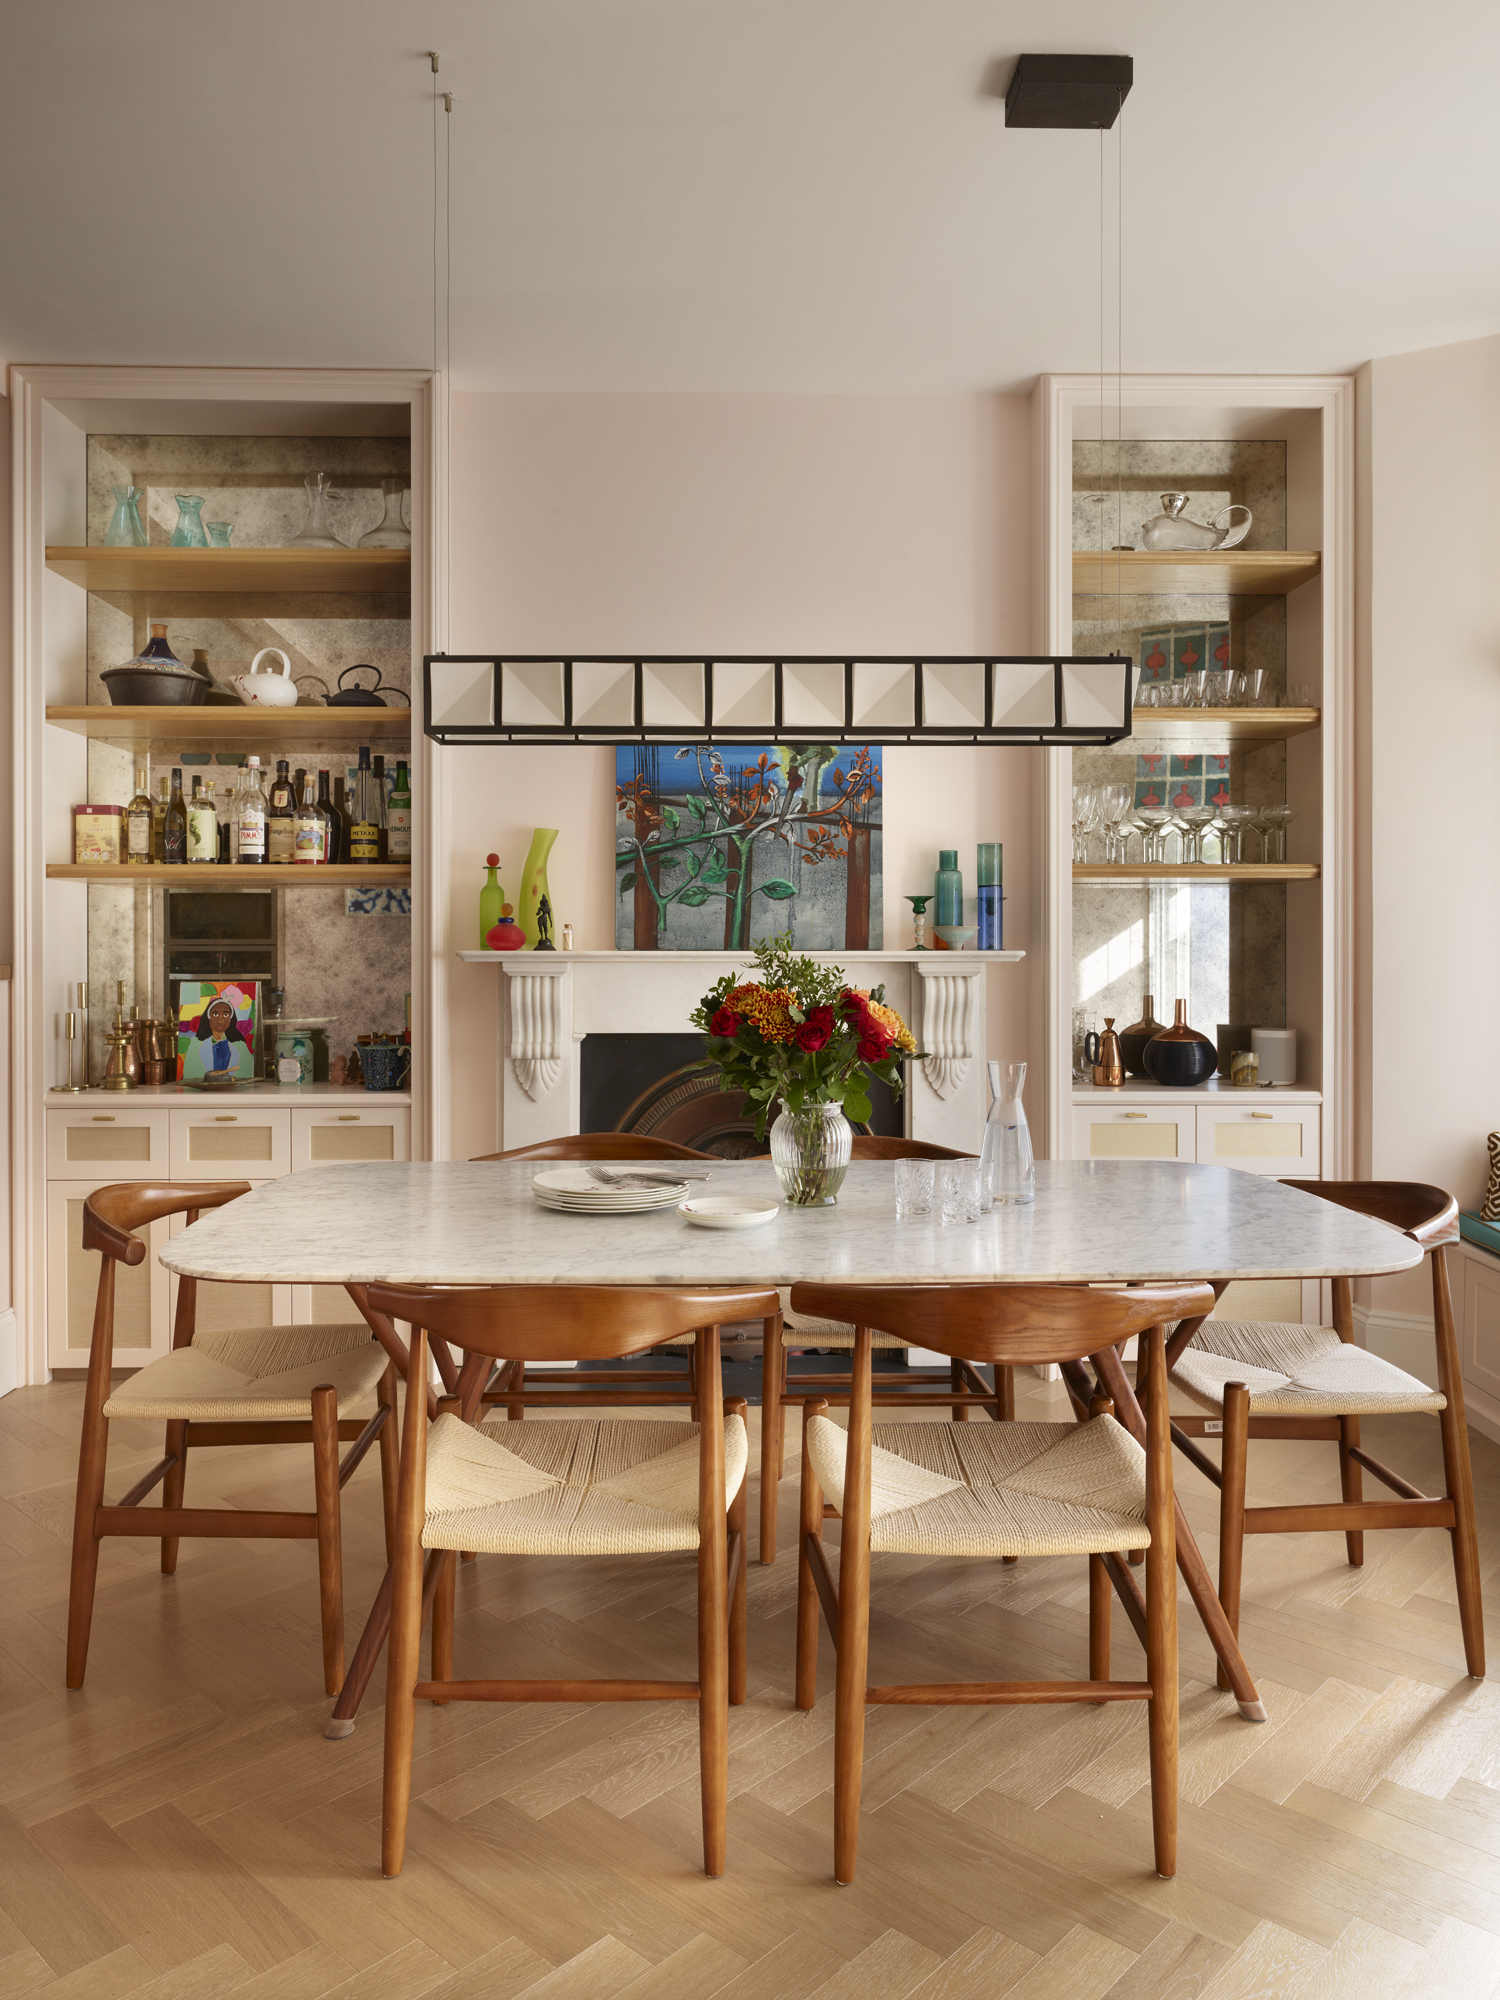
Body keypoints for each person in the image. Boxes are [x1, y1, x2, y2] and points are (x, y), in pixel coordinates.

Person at [194, 989, 252, 1074]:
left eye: (225, 1014)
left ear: (230, 1019)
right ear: (208, 1017)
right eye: (215, 1014)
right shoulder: (196, 1046)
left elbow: (246, 1070)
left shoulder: (240, 1047)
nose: (220, 1020)